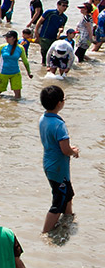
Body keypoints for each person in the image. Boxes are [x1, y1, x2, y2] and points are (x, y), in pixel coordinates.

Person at [38, 85, 78, 234]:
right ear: (60, 103)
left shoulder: (43, 119)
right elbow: (65, 150)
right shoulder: (59, 125)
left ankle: (68, 220)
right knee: (57, 203)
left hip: (50, 164)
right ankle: (46, 233)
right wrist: (73, 151)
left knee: (68, 194)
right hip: (58, 168)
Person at [0, 30, 32, 98]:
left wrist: (29, 73)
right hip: (3, 73)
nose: (6, 38)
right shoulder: (2, 47)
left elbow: (25, 61)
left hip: (15, 73)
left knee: (18, 96)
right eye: (6, 37)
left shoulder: (20, 48)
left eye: (8, 37)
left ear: (14, 38)